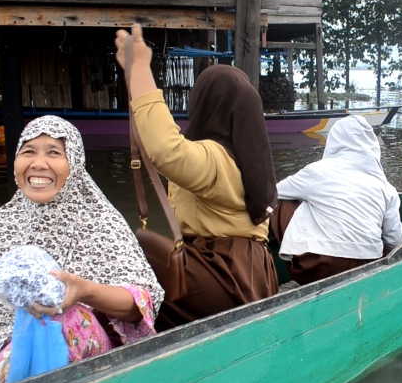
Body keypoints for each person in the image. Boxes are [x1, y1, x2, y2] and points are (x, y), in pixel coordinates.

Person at [0, 116, 164, 383]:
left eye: (54, 152)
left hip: (63, 342)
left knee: (65, 320)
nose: (38, 163)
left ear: (74, 163)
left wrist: (84, 291)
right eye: (28, 152)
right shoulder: (4, 219)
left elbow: (140, 303)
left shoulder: (99, 221)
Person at [115, 25, 279, 330]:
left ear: (203, 104)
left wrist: (139, 69)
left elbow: (166, 150)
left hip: (221, 277)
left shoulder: (216, 160)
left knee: (125, 281)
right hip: (248, 274)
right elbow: (173, 144)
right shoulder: (244, 159)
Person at [270, 115, 402, 285]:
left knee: (287, 203)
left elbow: (272, 193)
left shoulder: (316, 172)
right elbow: (395, 242)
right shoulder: (386, 188)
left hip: (315, 267)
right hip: (366, 265)